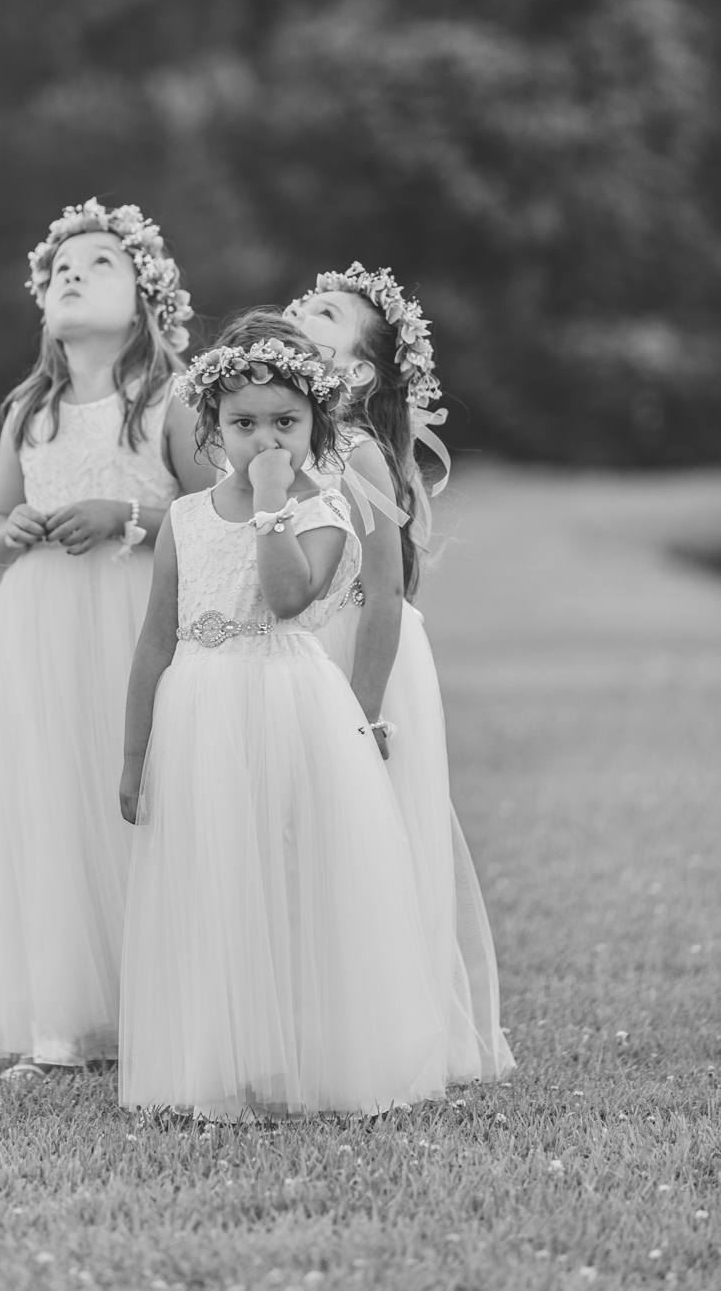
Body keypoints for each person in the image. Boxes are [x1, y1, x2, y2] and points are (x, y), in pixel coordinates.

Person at [118, 313, 447, 1120]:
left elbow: (288, 594)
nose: (265, 438)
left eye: (285, 423)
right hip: (197, 712)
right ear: (211, 429)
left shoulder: (324, 511)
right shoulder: (187, 523)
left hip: (285, 704)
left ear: (315, 426)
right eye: (243, 423)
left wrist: (272, 506)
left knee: (285, 872)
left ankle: (304, 1054)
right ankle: (226, 1061)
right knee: (215, 876)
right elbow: (153, 641)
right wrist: (132, 756)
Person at [0, 199, 211, 1079]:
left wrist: (126, 515)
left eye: (100, 262)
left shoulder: (168, 403)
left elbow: (213, 515)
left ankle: (163, 1004)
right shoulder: (29, 410)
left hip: (133, 625)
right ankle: (65, 1027)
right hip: (38, 635)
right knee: (52, 804)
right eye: (60, 267)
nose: (73, 272)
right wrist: (13, 531)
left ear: (146, 298)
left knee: (143, 793)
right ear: (42, 305)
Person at [286, 266, 515, 1083]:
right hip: (299, 652)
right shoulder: (277, 441)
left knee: (372, 835)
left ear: (355, 373)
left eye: (321, 312)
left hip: (362, 656)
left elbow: (383, 594)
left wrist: (361, 714)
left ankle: (390, 1028)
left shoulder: (352, 454)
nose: (292, 313)